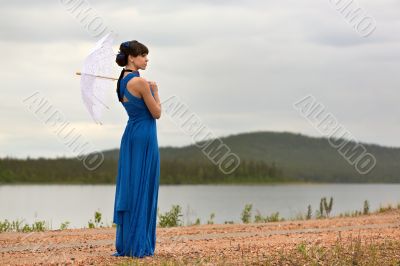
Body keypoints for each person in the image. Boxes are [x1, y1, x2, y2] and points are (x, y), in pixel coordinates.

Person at [112, 40, 161, 258]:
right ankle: (139, 244)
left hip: (130, 134)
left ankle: (128, 242)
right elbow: (156, 113)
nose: (146, 59)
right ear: (132, 57)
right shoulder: (140, 83)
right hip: (144, 134)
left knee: (132, 185)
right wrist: (155, 90)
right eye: (143, 55)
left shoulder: (122, 80)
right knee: (143, 185)